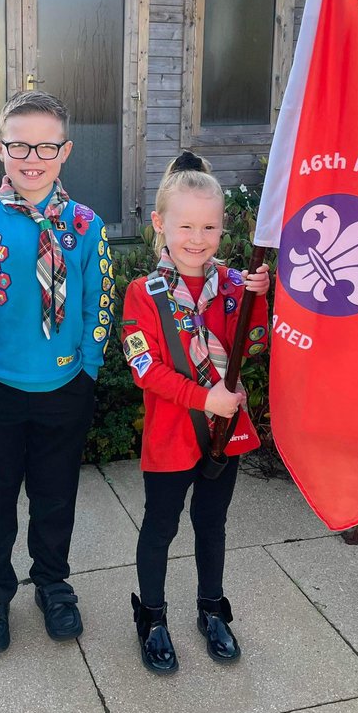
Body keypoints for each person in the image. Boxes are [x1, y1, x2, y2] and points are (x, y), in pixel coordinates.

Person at [0, 90, 114, 652]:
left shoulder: (88, 225)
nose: (32, 158)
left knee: (55, 496)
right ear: (0, 149)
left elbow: (99, 300)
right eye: (19, 145)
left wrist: (89, 367)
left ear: (65, 151)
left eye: (46, 146)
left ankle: (52, 583)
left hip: (64, 386)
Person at [121, 151, 270, 674]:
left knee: (212, 523)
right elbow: (145, 369)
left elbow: (253, 346)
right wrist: (205, 398)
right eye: (185, 225)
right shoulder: (144, 295)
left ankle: (211, 608)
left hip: (223, 435)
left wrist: (259, 299)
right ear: (160, 224)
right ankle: (152, 617)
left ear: (223, 228)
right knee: (160, 527)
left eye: (209, 227)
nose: (197, 238)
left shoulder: (232, 287)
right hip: (171, 438)